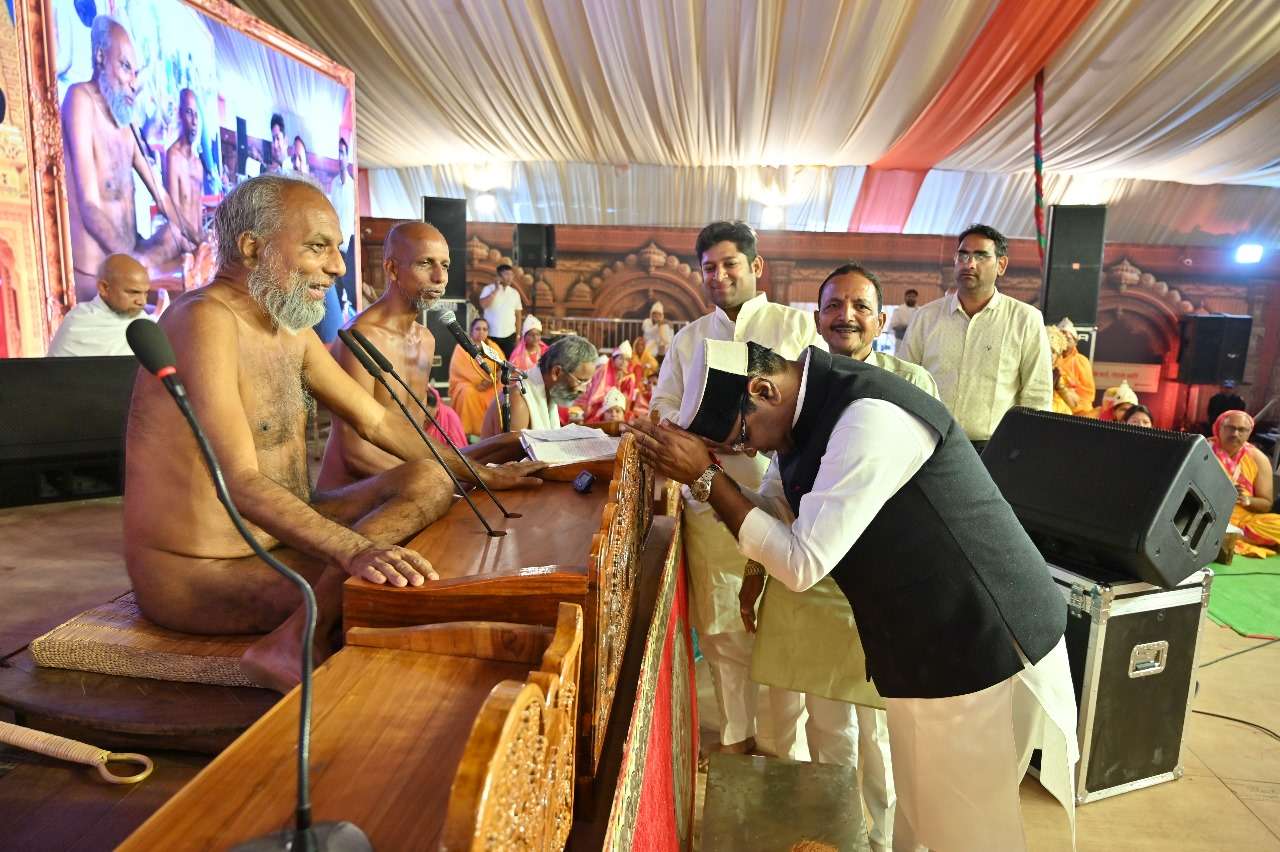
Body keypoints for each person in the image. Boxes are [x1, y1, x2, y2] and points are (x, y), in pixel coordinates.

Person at [630, 338, 1078, 852]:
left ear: (762, 389)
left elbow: (801, 563)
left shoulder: (868, 419)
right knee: (922, 816)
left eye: (745, 437)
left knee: (967, 831)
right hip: (926, 646)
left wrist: (707, 478)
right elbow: (777, 513)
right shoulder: (804, 416)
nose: (750, 452)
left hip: (981, 641)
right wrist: (700, 479)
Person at [123, 175, 544, 694]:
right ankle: (294, 640)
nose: (339, 267)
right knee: (397, 596)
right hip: (203, 572)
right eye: (318, 247)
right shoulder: (204, 321)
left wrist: (479, 474)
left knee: (430, 481)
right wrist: (353, 550)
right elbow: (239, 483)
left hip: (279, 535)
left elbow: (377, 420)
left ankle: (303, 628)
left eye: (336, 249)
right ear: (252, 249)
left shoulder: (289, 328)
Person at [739, 263, 933, 851]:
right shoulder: (804, 388)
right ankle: (836, 837)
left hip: (882, 585)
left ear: (881, 319)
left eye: (860, 306)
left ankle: (884, 842)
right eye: (833, 306)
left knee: (881, 735)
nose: (846, 316)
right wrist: (754, 568)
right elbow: (776, 486)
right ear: (817, 318)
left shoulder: (909, 381)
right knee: (829, 728)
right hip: (814, 578)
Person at [650, 220, 824, 759]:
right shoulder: (689, 338)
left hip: (784, 500)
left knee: (780, 625)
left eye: (730, 264)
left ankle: (782, 748)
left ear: (756, 267)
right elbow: (661, 408)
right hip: (708, 499)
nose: (719, 275)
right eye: (709, 268)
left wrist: (760, 434)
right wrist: (696, 431)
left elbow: (818, 405)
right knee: (722, 628)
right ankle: (735, 737)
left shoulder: (796, 327)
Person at [60, 15, 195, 302]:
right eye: (125, 67)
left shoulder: (126, 123)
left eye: (136, 72)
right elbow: (89, 207)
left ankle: (152, 272)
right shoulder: (79, 99)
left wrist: (197, 237)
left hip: (134, 257)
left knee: (174, 234)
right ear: (100, 57)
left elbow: (161, 196)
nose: (134, 83)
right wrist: (133, 264)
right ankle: (150, 275)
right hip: (100, 275)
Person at [901, 223, 1053, 452]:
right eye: (963, 256)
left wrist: (1024, 449)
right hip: (929, 444)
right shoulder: (926, 317)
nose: (969, 264)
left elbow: (1037, 394)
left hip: (994, 448)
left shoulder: (1025, 319)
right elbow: (905, 380)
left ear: (1001, 265)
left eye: (981, 256)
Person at [318, 221, 447, 489]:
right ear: (392, 269)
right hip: (354, 494)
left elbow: (413, 432)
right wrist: (438, 482)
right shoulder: (360, 338)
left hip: (408, 485)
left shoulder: (426, 340)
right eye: (425, 263)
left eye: (445, 265)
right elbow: (355, 451)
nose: (439, 277)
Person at [47, 254, 168, 356]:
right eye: (133, 292)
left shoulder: (144, 322)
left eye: (145, 293)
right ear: (104, 288)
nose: (142, 301)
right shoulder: (78, 321)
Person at [480, 334, 596, 436]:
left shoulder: (548, 392)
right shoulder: (519, 401)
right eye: (581, 381)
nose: (584, 390)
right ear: (556, 372)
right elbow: (512, 454)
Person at [1210, 409, 1280, 558]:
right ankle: (1229, 536)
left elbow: (1266, 504)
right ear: (1219, 427)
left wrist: (1246, 500)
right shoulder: (1204, 449)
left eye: (1241, 430)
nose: (1235, 434)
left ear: (1249, 432)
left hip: (1244, 521)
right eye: (1230, 428)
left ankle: (1233, 535)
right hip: (1208, 515)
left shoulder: (1259, 459)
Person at [448, 316, 505, 439]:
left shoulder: (493, 347)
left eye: (485, 329)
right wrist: (479, 382)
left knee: (502, 392)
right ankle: (467, 432)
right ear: (471, 331)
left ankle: (493, 431)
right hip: (470, 385)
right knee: (466, 393)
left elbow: (502, 367)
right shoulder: (461, 348)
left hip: (491, 384)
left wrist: (492, 380)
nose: (481, 332)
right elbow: (459, 370)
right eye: (478, 329)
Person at [164, 89, 204, 243]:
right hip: (180, 246)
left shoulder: (198, 165)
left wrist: (203, 242)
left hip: (197, 245)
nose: (194, 121)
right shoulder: (172, 157)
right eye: (189, 113)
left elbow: (199, 216)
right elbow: (173, 216)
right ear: (180, 115)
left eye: (196, 115)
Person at [327, 136, 358, 320]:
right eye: (337, 153)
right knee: (336, 288)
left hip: (349, 245)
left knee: (348, 287)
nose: (340, 157)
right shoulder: (334, 184)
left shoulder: (353, 187)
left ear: (347, 157)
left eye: (342, 153)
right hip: (336, 245)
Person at [582, 339, 644, 422]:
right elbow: (596, 394)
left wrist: (618, 402)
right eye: (621, 358)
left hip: (619, 407)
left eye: (627, 360)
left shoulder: (629, 376)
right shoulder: (603, 370)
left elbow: (627, 399)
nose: (623, 362)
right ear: (614, 359)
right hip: (600, 405)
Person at [479, 264, 524, 356]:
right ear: (499, 276)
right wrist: (496, 290)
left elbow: (518, 315)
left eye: (511, 275)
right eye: (506, 274)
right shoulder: (488, 289)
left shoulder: (514, 293)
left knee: (507, 362)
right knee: (490, 361)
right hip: (491, 334)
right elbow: (483, 305)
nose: (510, 277)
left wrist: (518, 335)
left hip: (510, 335)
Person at [1054, 318, 1096, 415]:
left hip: (1077, 410)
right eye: (1062, 337)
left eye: (1069, 338)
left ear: (1075, 342)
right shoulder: (1049, 358)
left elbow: (1088, 394)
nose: (1065, 340)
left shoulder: (1081, 361)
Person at [1046, 325, 1075, 415]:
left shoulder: (1056, 372)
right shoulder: (1029, 367)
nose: (1050, 355)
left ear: (1058, 356)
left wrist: (1061, 387)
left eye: (1053, 351)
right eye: (1046, 350)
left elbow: (1072, 404)